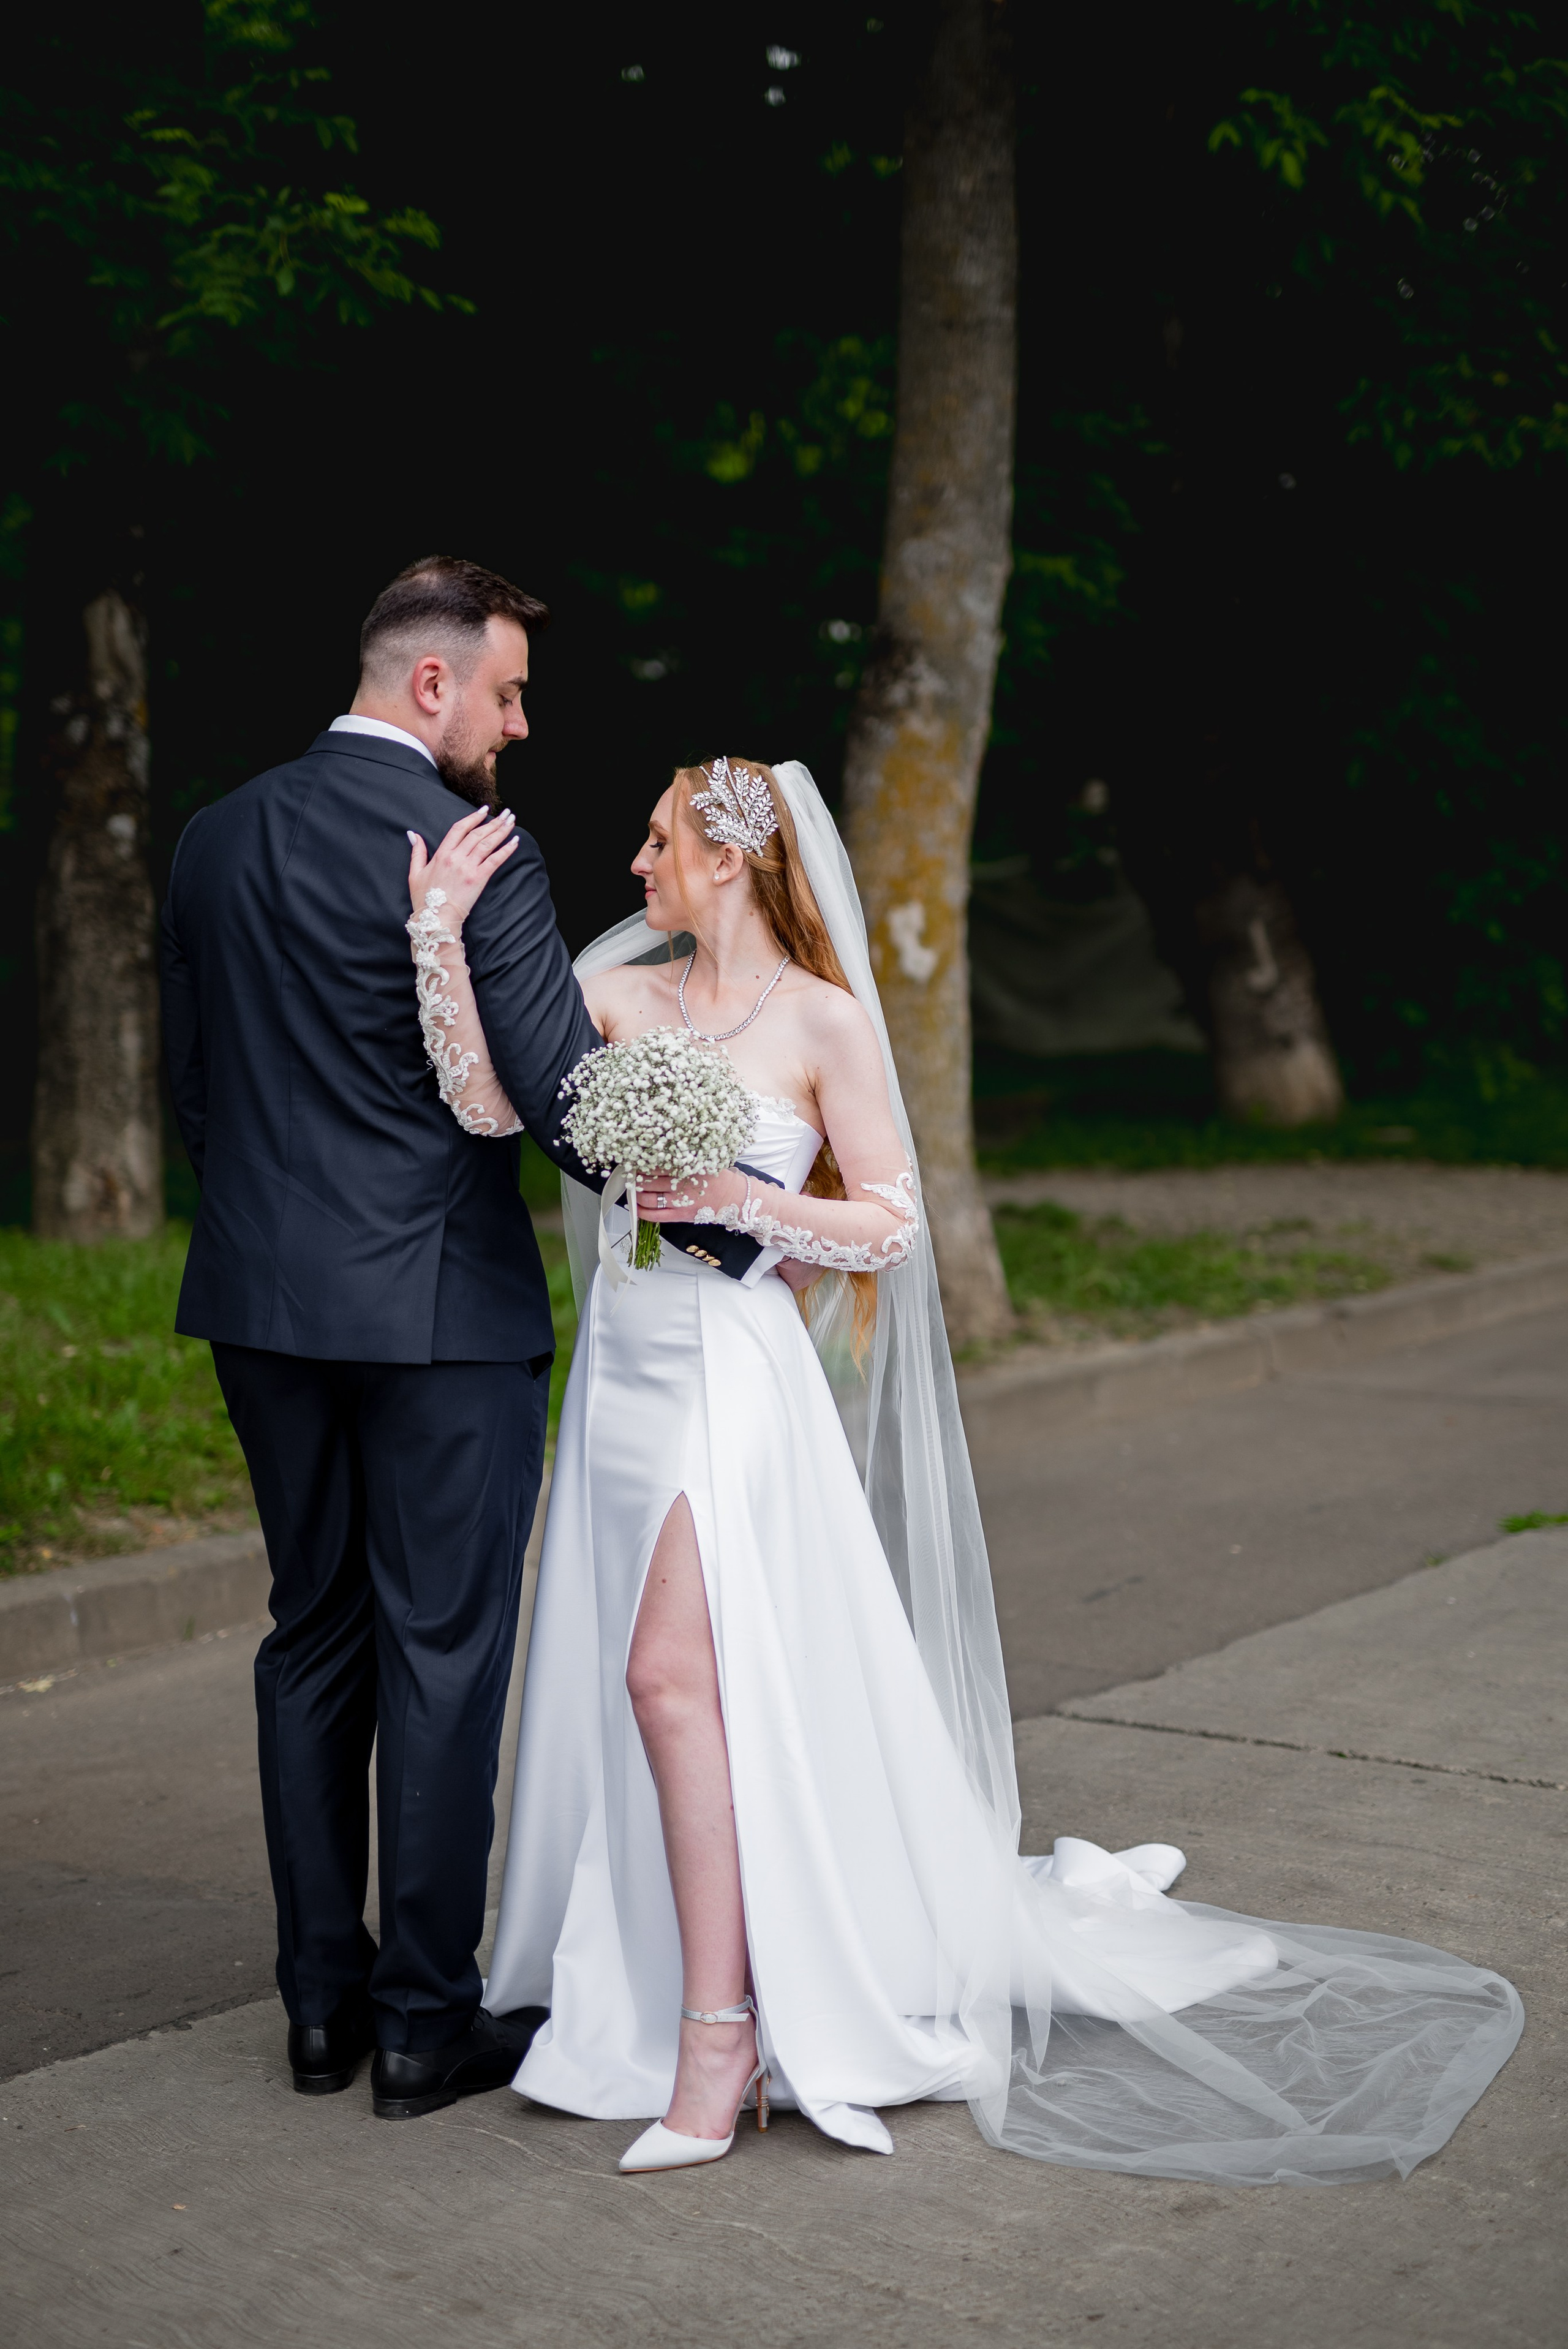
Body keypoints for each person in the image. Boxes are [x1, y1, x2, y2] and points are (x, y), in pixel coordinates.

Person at [408, 754, 1522, 2184]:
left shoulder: (820, 1021)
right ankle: (676, 1974)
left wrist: (751, 1197)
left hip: (729, 1377)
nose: (633, 865)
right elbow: (494, 1110)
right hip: (617, 1376)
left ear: (733, 859)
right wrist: (440, 932)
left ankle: (716, 2036)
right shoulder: (619, 996)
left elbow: (891, 1220)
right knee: (666, 1687)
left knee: (664, 1677)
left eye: (657, 841)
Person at [160, 557, 606, 2118]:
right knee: (441, 1653)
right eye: (507, 691)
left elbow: (198, 1094)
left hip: (264, 1307)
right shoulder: (477, 849)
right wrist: (723, 1172)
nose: (520, 726)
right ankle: (421, 2024)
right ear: (432, 684)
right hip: (440, 1320)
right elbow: (562, 1101)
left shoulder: (214, 839)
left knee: (312, 1635)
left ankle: (314, 2005)